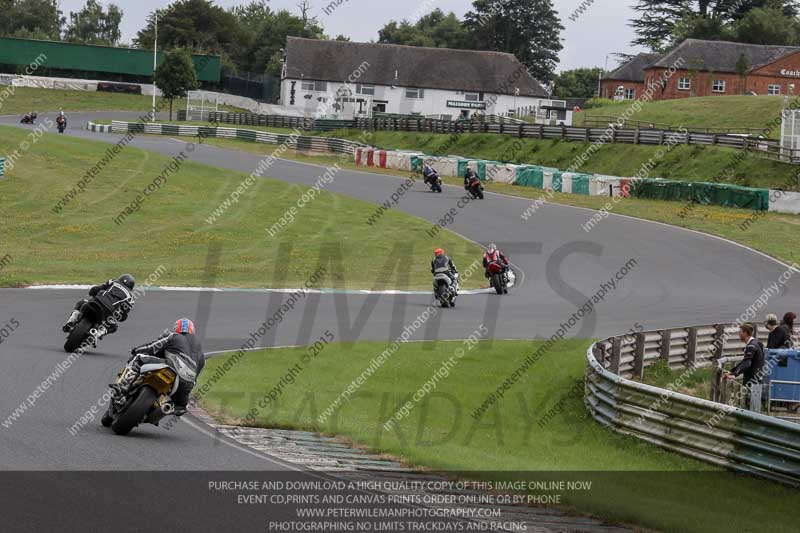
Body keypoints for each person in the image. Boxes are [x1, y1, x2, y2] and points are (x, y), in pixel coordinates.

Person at [124, 318, 205, 417]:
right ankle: (166, 408)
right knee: (180, 407)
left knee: (138, 358)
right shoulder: (200, 351)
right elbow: (197, 375)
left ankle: (123, 385)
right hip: (186, 384)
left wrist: (135, 350)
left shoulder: (173, 336)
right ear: (192, 330)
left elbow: (152, 347)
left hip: (172, 368)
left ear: (176, 328)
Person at [63, 274, 136, 335]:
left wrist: (91, 292)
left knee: (81, 303)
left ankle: (71, 321)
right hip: (108, 312)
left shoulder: (113, 282)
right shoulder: (131, 297)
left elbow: (96, 289)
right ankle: (97, 334)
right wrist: (119, 316)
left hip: (96, 302)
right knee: (113, 326)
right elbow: (124, 315)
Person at [725, 324, 766, 409]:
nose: (739, 334)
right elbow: (745, 361)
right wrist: (732, 371)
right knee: (754, 407)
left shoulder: (751, 346)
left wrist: (734, 374)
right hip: (758, 380)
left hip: (752, 381)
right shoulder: (757, 343)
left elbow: (747, 363)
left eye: (740, 332)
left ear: (745, 333)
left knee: (750, 407)